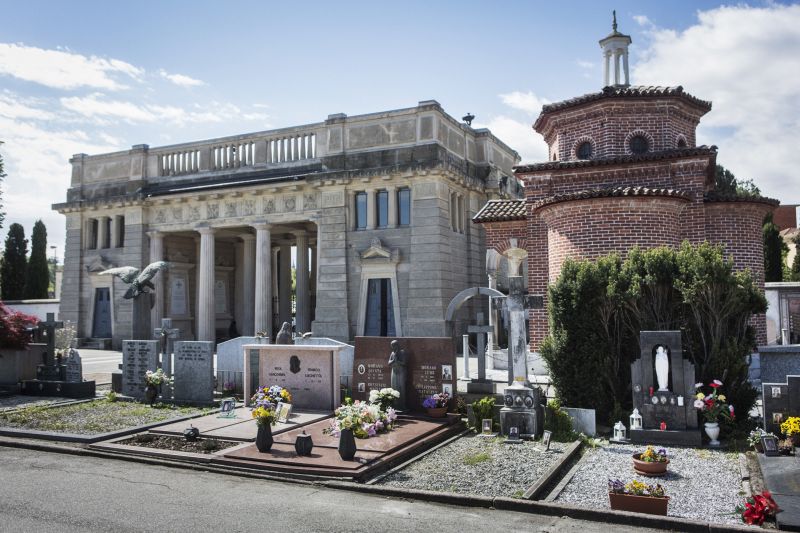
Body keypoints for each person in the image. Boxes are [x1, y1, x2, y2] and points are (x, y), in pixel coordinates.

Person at [388, 339, 408, 410]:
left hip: (400, 372)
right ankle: (395, 405)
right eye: (392, 346)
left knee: (401, 388)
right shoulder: (392, 353)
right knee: (394, 387)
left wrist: (398, 361)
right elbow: (389, 363)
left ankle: (402, 405)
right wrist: (393, 360)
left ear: (397, 345)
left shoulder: (402, 352)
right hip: (394, 372)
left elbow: (404, 363)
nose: (393, 347)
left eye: (394, 346)